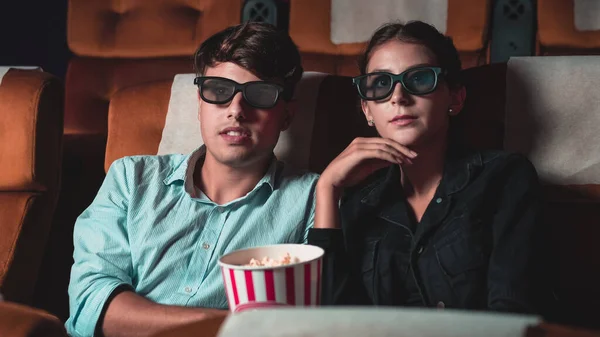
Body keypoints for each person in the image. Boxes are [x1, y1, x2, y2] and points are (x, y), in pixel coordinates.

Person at [66, 22, 318, 337]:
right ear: (200, 104)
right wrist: (228, 325)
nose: (236, 110)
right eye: (219, 91)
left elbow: (299, 323)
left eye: (261, 94)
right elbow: (92, 304)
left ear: (287, 116)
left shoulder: (313, 199)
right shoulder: (130, 178)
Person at [308, 21, 551, 313]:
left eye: (420, 79)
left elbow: (513, 310)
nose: (398, 97)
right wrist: (327, 188)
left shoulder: (504, 178)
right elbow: (329, 316)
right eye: (381, 84)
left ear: (455, 98)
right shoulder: (357, 198)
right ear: (367, 111)